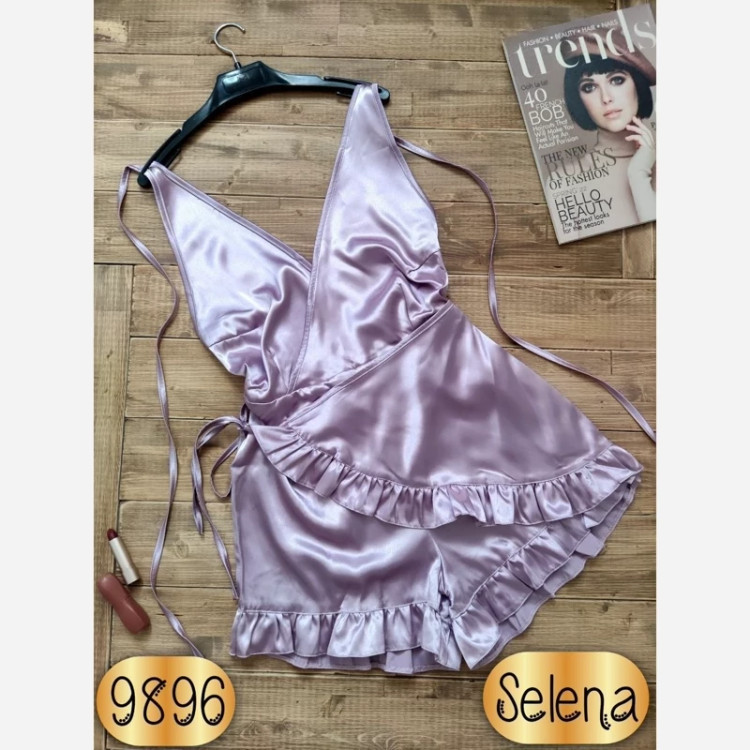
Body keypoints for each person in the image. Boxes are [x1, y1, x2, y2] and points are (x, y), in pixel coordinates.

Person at [562, 33, 656, 224]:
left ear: (638, 84)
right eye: (589, 88)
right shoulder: (564, 181)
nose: (606, 98)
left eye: (617, 80)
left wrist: (638, 176)